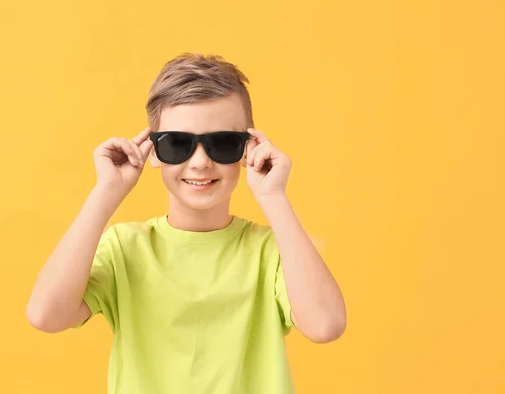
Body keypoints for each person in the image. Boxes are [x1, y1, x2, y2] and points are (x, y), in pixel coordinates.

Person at [26, 53, 346, 394]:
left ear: (248, 148)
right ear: (152, 151)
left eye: (223, 143)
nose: (200, 162)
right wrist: (107, 192)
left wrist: (274, 197)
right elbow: (47, 315)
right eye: (177, 144)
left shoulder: (272, 251)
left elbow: (325, 325)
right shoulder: (125, 248)